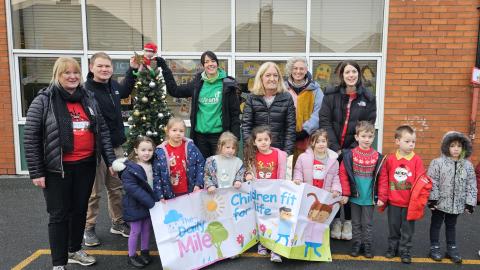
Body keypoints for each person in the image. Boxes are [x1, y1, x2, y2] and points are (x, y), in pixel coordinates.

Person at [24, 57, 116, 270]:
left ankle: (74, 250)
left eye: (75, 72)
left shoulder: (88, 98)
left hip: (85, 165)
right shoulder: (44, 100)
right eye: (67, 73)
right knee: (59, 214)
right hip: (57, 169)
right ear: (58, 75)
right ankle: (58, 262)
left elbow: (102, 131)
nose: (72, 76)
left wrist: (110, 160)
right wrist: (36, 171)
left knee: (79, 209)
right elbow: (31, 137)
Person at [83, 52, 140, 246]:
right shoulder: (85, 91)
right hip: (95, 149)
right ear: (91, 68)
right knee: (94, 191)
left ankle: (118, 222)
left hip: (115, 147)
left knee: (116, 188)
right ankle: (89, 228)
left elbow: (125, 91)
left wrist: (132, 69)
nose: (104, 69)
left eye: (107, 66)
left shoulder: (113, 86)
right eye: (100, 66)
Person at [319, 60, 377, 241]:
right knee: (333, 184)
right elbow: (325, 121)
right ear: (342, 75)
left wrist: (351, 150)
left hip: (354, 150)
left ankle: (349, 221)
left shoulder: (368, 98)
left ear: (358, 74)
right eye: (347, 72)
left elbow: (367, 126)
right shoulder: (330, 95)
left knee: (352, 184)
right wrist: (335, 148)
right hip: (332, 150)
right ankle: (335, 220)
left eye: (354, 72)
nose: (351, 75)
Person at [156, 51, 241, 159]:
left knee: (220, 170)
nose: (210, 64)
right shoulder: (197, 84)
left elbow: (234, 114)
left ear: (217, 64)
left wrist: (235, 138)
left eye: (213, 61)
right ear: (203, 65)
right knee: (202, 169)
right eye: (206, 62)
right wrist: (165, 68)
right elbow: (175, 91)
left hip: (220, 137)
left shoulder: (227, 84)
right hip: (200, 138)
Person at [377, 125, 426, 264]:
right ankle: (393, 248)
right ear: (397, 141)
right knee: (393, 228)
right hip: (394, 202)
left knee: (407, 230)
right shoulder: (390, 159)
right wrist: (383, 197)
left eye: (413, 142)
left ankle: (405, 250)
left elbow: (421, 182)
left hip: (410, 203)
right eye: (407, 141)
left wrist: (418, 201)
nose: (411, 145)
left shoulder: (417, 160)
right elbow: (384, 180)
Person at [427, 131, 477, 264]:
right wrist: (432, 199)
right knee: (436, 224)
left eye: (459, 146)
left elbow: (471, 184)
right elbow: (432, 181)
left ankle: (451, 248)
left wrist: (470, 202)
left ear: (464, 148)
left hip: (457, 203)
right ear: (446, 147)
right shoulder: (437, 163)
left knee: (451, 225)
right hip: (440, 202)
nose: (456, 149)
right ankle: (434, 247)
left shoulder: (467, 165)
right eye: (452, 145)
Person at [338, 121, 385, 258]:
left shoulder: (378, 157)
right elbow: (343, 174)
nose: (367, 139)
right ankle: (356, 243)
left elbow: (382, 178)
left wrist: (381, 197)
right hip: (355, 196)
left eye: (370, 136)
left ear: (373, 138)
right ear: (356, 137)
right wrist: (345, 193)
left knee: (368, 223)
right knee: (356, 223)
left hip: (369, 198)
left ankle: (367, 244)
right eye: (363, 136)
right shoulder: (350, 155)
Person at [112, 136, 158, 268]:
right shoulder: (130, 168)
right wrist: (150, 201)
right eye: (143, 149)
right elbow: (132, 188)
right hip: (135, 205)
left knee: (146, 229)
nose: (146, 153)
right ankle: (131, 255)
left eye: (150, 150)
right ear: (136, 150)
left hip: (148, 204)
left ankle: (144, 251)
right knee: (135, 230)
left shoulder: (152, 164)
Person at [243, 125, 287, 263]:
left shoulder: (279, 155)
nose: (263, 142)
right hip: (260, 194)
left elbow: (283, 173)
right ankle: (263, 242)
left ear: (270, 140)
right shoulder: (253, 155)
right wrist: (248, 175)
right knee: (262, 218)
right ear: (255, 142)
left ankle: (275, 249)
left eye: (266, 139)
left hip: (275, 193)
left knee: (276, 219)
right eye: (260, 140)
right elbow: (249, 170)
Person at [242, 62, 296, 156]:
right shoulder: (252, 98)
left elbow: (290, 129)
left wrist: (286, 153)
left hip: (279, 152)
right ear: (261, 78)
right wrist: (251, 151)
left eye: (275, 75)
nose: (272, 79)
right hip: (257, 152)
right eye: (268, 75)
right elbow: (246, 127)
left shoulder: (287, 98)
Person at [153, 117, 205, 200]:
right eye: (174, 130)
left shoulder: (190, 147)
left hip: (190, 191)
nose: (178, 133)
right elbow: (157, 175)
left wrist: (198, 184)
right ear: (168, 131)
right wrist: (160, 195)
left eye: (181, 131)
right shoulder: (161, 151)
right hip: (170, 194)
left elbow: (200, 164)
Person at [284, 57, 323, 164]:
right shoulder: (282, 89)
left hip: (309, 138)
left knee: (306, 168)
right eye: (295, 68)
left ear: (306, 70)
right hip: (286, 138)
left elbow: (319, 111)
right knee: (287, 169)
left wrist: (306, 130)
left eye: (301, 69)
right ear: (290, 70)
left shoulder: (315, 89)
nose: (298, 71)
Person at [293, 128, 342, 197]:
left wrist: (336, 189)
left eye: (323, 141)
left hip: (324, 196)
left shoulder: (333, 161)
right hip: (307, 194)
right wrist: (298, 179)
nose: (321, 144)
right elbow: (298, 171)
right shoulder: (303, 157)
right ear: (312, 143)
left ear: (327, 142)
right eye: (317, 142)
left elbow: (335, 178)